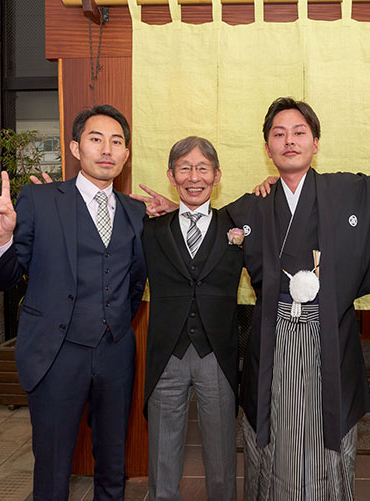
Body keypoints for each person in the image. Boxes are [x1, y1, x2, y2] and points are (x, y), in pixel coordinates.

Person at [136, 97, 370, 499]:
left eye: (299, 132)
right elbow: (208, 224)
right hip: (275, 340)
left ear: (315, 142)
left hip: (329, 337)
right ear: (267, 147)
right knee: (277, 431)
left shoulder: (349, 189)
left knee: (326, 435)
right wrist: (173, 208)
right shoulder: (253, 205)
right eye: (278, 134)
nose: (289, 141)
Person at [0, 104, 147, 500]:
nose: (107, 149)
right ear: (74, 148)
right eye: (95, 139)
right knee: (52, 468)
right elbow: (5, 279)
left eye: (116, 141)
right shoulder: (39, 199)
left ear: (125, 154)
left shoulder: (135, 212)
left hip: (115, 354)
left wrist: (115, 322)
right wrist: (0, 240)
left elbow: (135, 282)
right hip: (56, 354)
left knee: (113, 465)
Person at [142, 137, 242, 500]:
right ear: (171, 175)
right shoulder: (151, 228)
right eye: (185, 167)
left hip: (217, 354)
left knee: (221, 460)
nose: (194, 176)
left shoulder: (237, 227)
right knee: (162, 460)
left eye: (202, 168)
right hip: (166, 354)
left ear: (217, 176)